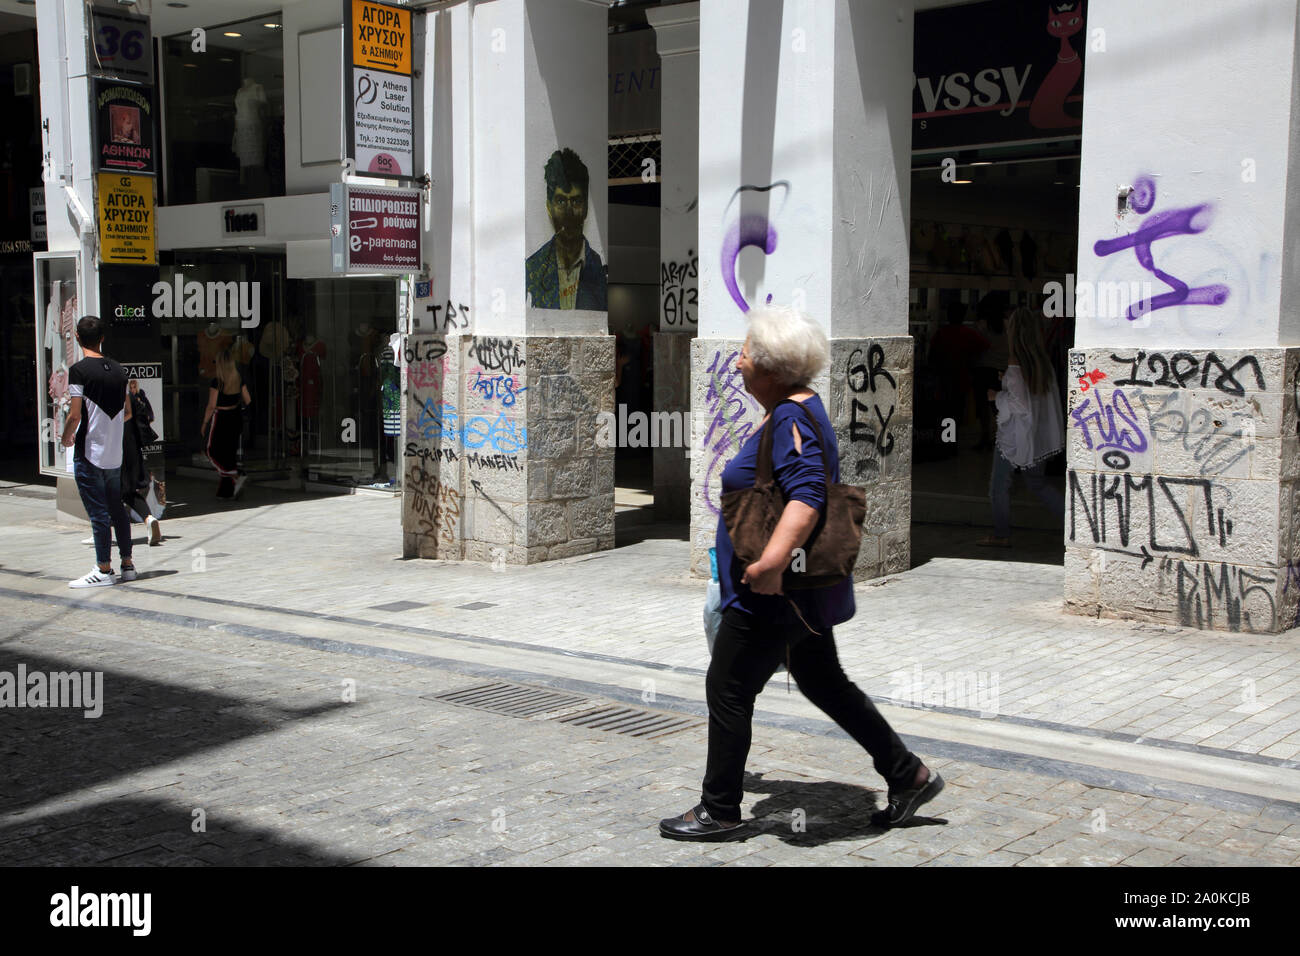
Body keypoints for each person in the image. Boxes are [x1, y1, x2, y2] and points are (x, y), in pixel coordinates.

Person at [659, 306, 943, 840]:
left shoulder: (791, 416)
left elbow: (808, 497)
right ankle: (908, 774)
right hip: (800, 591)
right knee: (824, 681)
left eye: (745, 352)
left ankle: (718, 809)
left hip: (773, 591)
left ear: (769, 367)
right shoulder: (798, 408)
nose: (737, 361)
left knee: (728, 687)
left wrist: (768, 563)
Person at [979, 307, 1066, 547]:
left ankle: (1001, 533)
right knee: (1037, 483)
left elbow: (1019, 403)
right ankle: (1073, 524)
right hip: (1036, 434)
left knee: (999, 485)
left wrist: (996, 396)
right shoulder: (1041, 361)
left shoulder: (1015, 362)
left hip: (1015, 436)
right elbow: (1031, 397)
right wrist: (1006, 382)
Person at [61, 315, 135, 587]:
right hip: (114, 452)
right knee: (117, 509)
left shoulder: (79, 370)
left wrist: (65, 437)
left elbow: (75, 414)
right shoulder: (119, 370)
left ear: (77, 338)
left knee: (98, 513)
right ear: (102, 338)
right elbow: (127, 412)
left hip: (90, 450)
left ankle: (104, 570)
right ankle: (128, 564)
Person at [524, 148, 607, 310]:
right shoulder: (532, 269)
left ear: (586, 208)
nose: (569, 214)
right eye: (561, 202)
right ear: (549, 208)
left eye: (576, 202)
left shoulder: (601, 270)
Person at [202, 348, 251, 500]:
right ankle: (226, 490)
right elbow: (248, 400)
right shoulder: (239, 379)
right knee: (229, 453)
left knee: (211, 451)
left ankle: (235, 476)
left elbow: (211, 405)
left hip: (221, 417)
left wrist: (204, 423)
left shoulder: (217, 382)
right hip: (235, 416)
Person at [122, 379, 162, 547]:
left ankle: (100, 532)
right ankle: (149, 518)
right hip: (132, 447)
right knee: (128, 491)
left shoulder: (106, 394)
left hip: (114, 450)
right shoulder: (128, 394)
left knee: (107, 491)